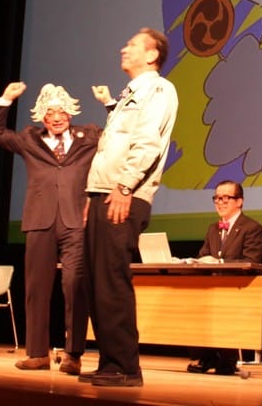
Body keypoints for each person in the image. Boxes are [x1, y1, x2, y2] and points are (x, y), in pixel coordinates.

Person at [0, 81, 109, 375]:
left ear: (70, 114)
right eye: (50, 113)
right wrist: (6, 98)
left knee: (75, 285)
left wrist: (109, 103)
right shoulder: (29, 139)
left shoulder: (89, 135)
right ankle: (37, 354)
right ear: (42, 116)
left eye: (61, 112)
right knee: (36, 288)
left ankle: (73, 354)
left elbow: (118, 134)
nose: (56, 118)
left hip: (75, 221)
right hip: (39, 221)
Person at [80, 27, 179, 388]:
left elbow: (147, 143)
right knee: (96, 282)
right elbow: (110, 148)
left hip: (124, 193)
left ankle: (125, 366)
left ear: (152, 55)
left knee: (112, 280)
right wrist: (92, 196)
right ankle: (109, 361)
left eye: (133, 45)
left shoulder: (158, 89)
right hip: (104, 193)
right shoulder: (128, 95)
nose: (124, 49)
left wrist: (124, 186)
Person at [186, 180, 262, 375]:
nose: (220, 202)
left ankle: (227, 360)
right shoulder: (213, 228)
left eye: (225, 198)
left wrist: (220, 263)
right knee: (190, 299)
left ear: (239, 201)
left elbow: (251, 261)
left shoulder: (252, 227)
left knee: (224, 302)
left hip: (244, 289)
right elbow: (203, 256)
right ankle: (206, 357)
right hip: (215, 288)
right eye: (217, 198)